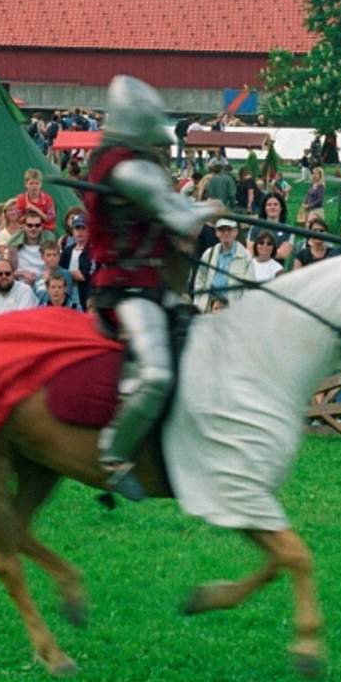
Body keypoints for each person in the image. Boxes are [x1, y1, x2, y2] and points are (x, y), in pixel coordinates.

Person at [82, 76, 219, 499]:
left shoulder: (135, 163)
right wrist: (211, 208)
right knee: (157, 374)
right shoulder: (124, 168)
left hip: (154, 284)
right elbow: (178, 217)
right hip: (127, 290)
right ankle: (114, 456)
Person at [193, 218, 251, 311]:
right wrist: (198, 304)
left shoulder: (246, 256)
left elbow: (249, 288)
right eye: (222, 230)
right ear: (216, 233)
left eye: (229, 229)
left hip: (233, 309)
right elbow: (199, 281)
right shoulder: (209, 253)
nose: (226, 233)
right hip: (209, 307)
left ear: (236, 232)